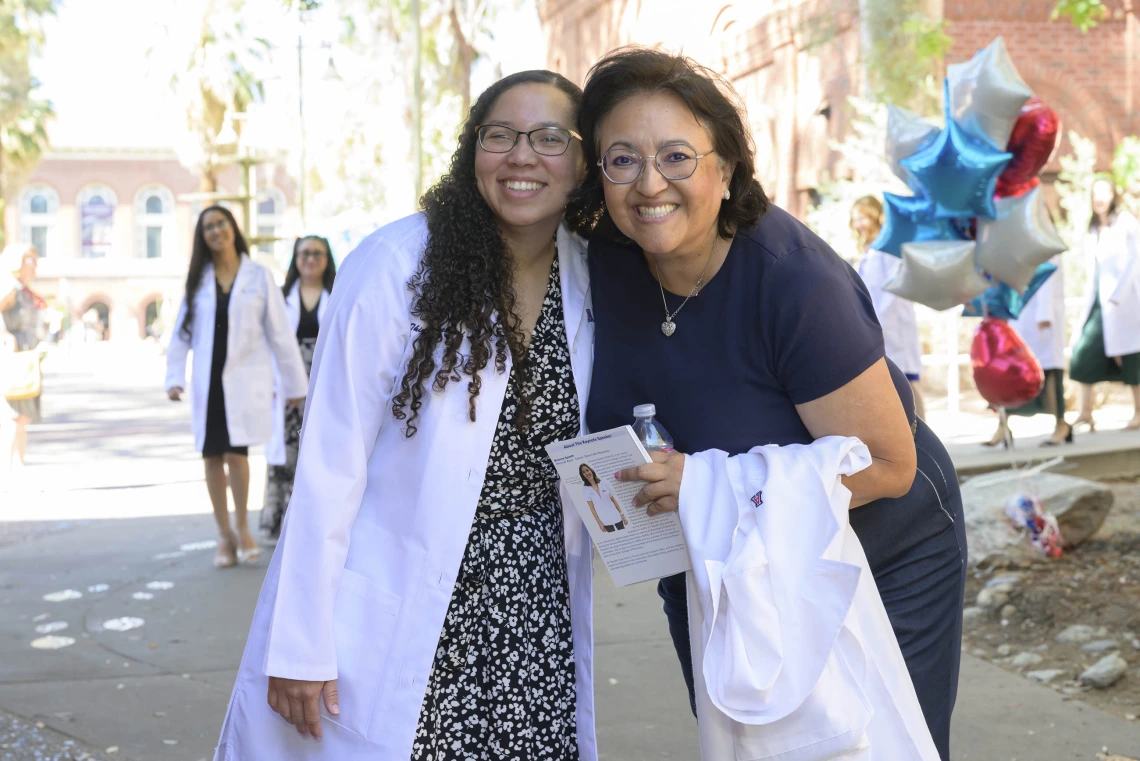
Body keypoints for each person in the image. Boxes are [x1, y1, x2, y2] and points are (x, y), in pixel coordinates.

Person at [569, 48, 966, 761]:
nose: (649, 182)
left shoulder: (793, 282)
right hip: (715, 559)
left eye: (678, 157)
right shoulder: (602, 264)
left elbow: (888, 464)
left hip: (877, 552)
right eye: (621, 159)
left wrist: (710, 485)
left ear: (725, 170)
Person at [213, 70, 599, 761]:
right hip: (410, 602)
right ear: (470, 150)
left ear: (583, 161)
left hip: (535, 609)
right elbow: (330, 464)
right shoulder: (395, 264)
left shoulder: (595, 276)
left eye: (549, 138)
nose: (521, 156)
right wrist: (300, 639)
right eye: (499, 135)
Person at [164, 206, 308, 569]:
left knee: (236, 454)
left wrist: (294, 383)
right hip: (209, 381)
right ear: (203, 236)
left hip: (244, 380)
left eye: (221, 223)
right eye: (209, 226)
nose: (216, 231)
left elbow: (280, 334)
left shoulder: (258, 276)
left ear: (233, 228)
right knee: (212, 455)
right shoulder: (198, 280)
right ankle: (223, 535)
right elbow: (181, 335)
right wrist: (174, 378)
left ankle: (243, 528)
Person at [260, 235, 337, 541]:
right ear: (295, 258)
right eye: (304, 253)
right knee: (284, 455)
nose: (310, 259)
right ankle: (274, 522)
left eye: (317, 253)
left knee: (316, 453)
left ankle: (306, 526)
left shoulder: (338, 293)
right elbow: (268, 344)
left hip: (323, 385)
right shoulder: (280, 296)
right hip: (288, 387)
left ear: (327, 259)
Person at [1069, 176, 1140, 431]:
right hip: (1098, 304)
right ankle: (1085, 412)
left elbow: (1135, 261)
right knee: (1082, 356)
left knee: (1132, 358)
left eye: (1104, 193)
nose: (1099, 199)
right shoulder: (1092, 229)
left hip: (1123, 303)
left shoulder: (1126, 223)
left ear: (1113, 195)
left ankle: (1138, 412)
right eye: (1095, 194)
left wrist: (1118, 296)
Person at [850, 195, 926, 418]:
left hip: (894, 325)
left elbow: (896, 286)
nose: (859, 224)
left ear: (875, 216)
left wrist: (879, 322)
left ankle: (924, 438)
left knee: (909, 382)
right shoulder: (868, 251)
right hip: (879, 325)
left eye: (863, 218)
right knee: (895, 384)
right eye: (855, 219)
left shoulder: (888, 247)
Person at [986, 253, 1072, 447]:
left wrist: (1044, 314)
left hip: (1041, 321)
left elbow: (1047, 278)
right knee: (1008, 374)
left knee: (1049, 373)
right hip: (1019, 316)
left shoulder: (1047, 243)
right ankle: (1003, 424)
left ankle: (1060, 423)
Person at [1, 243, 46, 475]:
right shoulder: (9, 287)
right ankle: (7, 471)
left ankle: (19, 467)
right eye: (30, 260)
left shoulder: (23, 289)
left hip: (26, 356)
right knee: (13, 415)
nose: (35, 265)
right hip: (12, 358)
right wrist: (5, 335)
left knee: (22, 415)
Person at [580, 462, 627, 532]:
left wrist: (622, 514)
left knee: (623, 534)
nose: (586, 473)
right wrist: (599, 523)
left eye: (587, 470)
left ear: (591, 470)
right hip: (604, 520)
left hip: (616, 516)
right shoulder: (585, 489)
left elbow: (613, 500)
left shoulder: (604, 483)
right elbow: (592, 508)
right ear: (582, 475)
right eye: (583, 472)